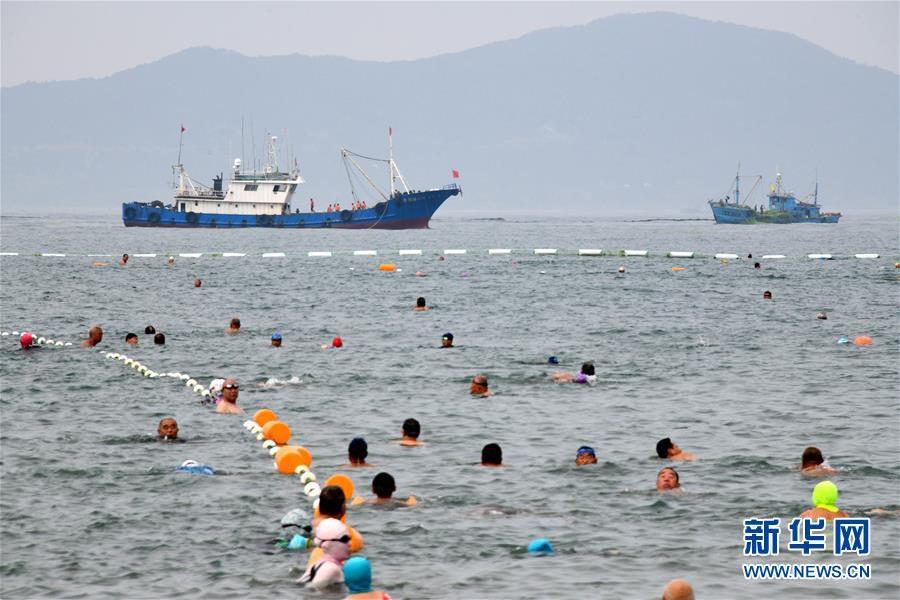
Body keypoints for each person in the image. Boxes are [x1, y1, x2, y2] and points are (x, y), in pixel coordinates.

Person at [297, 518, 351, 588]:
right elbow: (311, 591)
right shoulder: (330, 569)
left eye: (349, 539)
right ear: (327, 544)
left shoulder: (316, 564)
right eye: (345, 539)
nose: (349, 544)